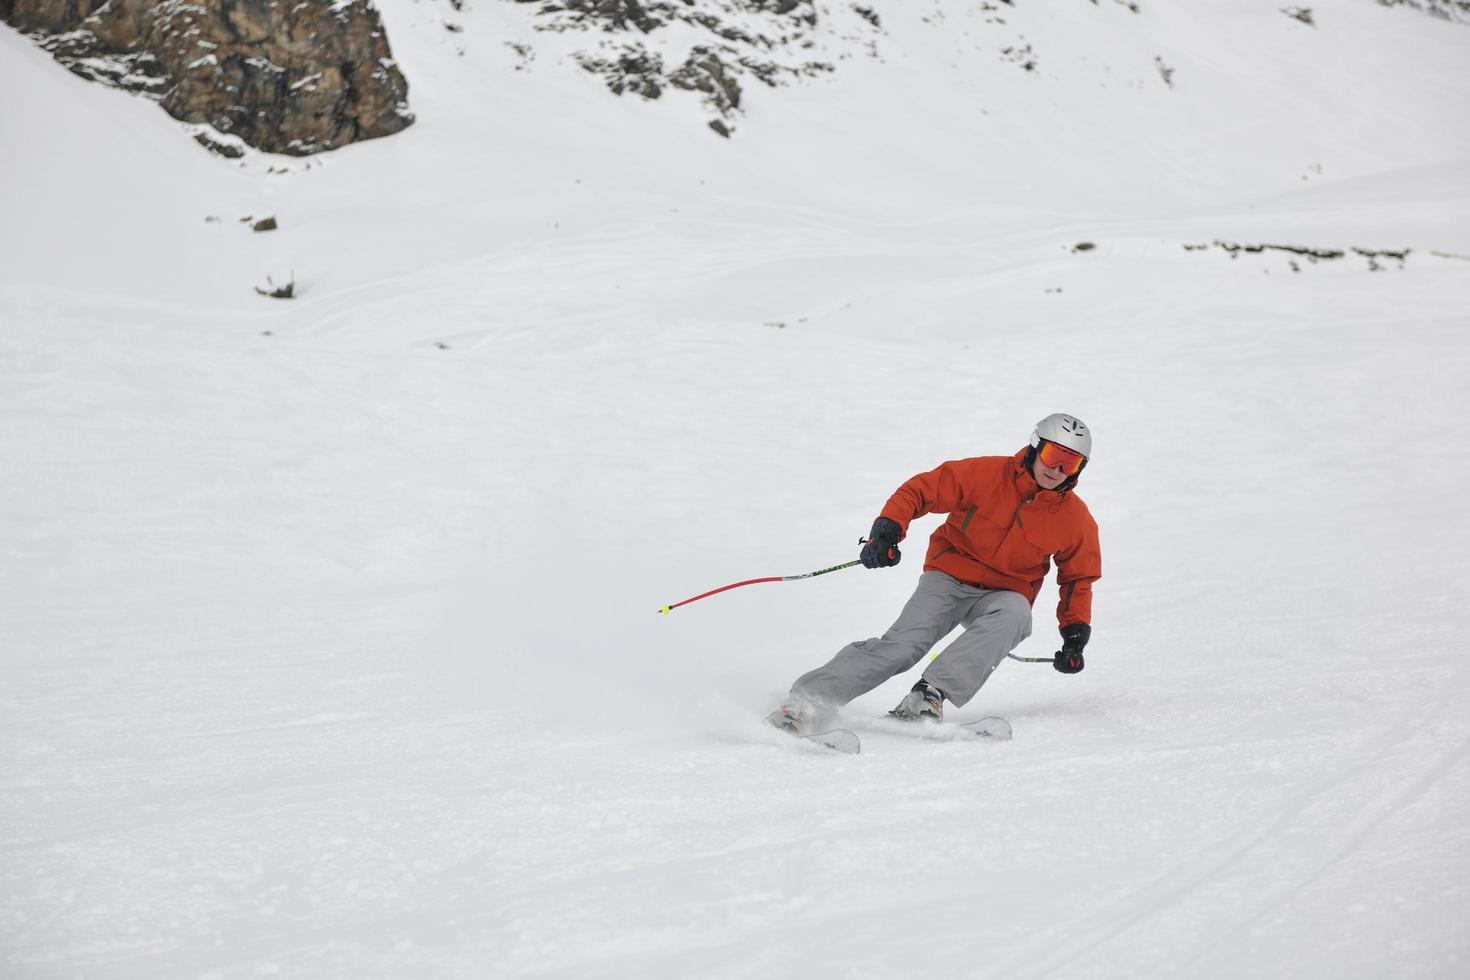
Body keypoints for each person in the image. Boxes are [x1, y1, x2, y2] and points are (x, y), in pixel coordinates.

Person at [769, 413, 1101, 733]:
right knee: (904, 647)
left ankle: (927, 694)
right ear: (1034, 446)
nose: (1056, 468)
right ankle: (806, 703)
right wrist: (886, 533)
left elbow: (1078, 578)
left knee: (1016, 614)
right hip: (948, 577)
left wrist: (1074, 636)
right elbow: (919, 490)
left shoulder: (1075, 520)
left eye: (1069, 462)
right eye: (1052, 454)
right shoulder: (985, 474)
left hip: (1004, 594)